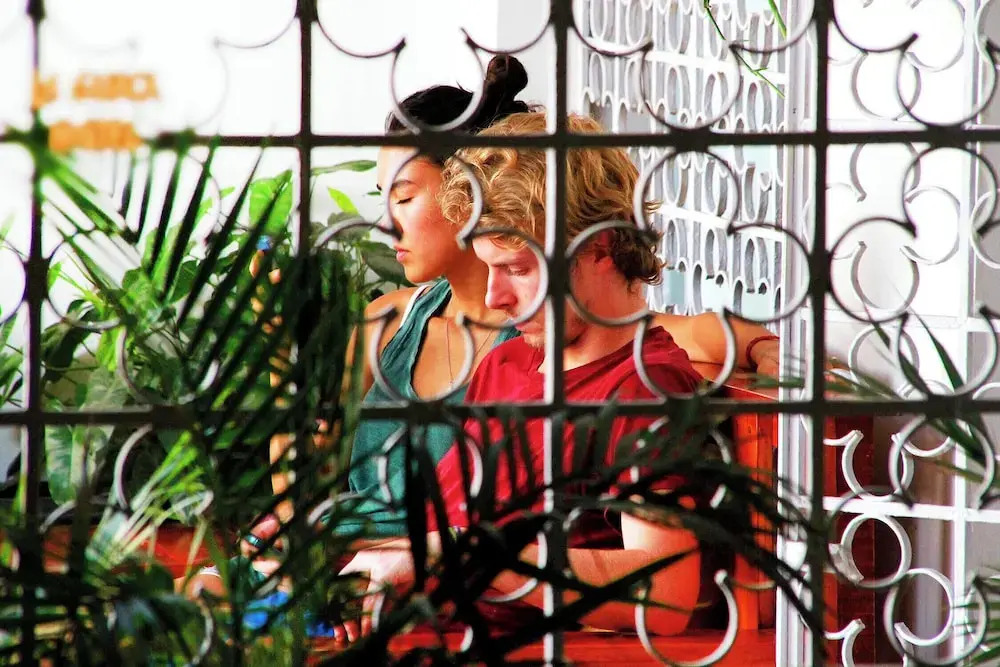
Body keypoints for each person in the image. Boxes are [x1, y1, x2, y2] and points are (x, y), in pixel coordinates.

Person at [337, 111, 720, 640]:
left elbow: (663, 596)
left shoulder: (642, 388)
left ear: (600, 247)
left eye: (516, 269)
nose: (495, 297)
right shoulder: (507, 362)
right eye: (488, 268)